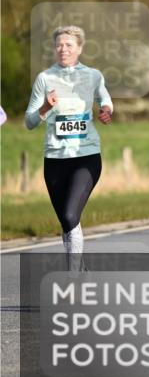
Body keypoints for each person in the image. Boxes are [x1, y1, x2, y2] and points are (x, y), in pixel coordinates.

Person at [26, 26, 113, 271]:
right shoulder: (44, 78)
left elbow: (104, 98)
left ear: (80, 48)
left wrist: (107, 111)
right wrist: (45, 107)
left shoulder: (93, 75)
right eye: (59, 45)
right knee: (67, 222)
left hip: (86, 156)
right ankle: (79, 269)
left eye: (69, 45)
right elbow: (29, 121)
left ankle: (73, 277)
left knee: (70, 215)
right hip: (54, 158)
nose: (63, 49)